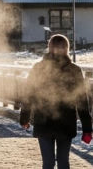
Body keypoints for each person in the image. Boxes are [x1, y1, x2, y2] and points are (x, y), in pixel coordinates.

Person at [20, 34, 93, 169]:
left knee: (48, 163)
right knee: (63, 161)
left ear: (49, 48)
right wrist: (87, 128)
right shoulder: (74, 70)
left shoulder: (38, 68)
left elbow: (28, 95)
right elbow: (82, 101)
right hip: (66, 123)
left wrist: (24, 118)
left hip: (43, 121)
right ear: (67, 48)